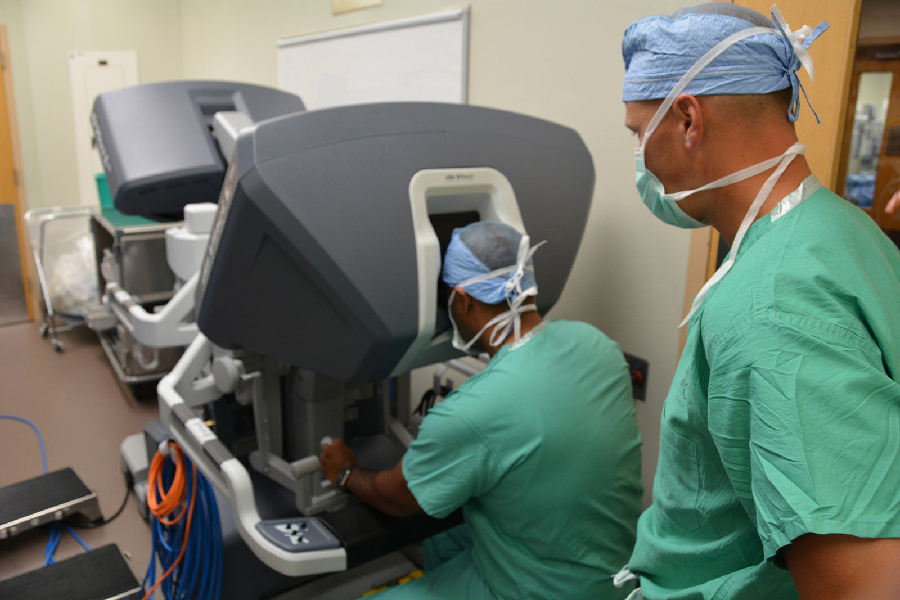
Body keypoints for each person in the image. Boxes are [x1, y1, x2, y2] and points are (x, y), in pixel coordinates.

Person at [615, 4, 900, 599]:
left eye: (640, 134)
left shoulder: (771, 307)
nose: (640, 160)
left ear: (688, 120)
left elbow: (862, 586)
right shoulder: (842, 228)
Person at [321, 221, 643, 599]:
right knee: (452, 532)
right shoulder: (598, 346)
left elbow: (396, 500)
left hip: (542, 592)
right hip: (615, 580)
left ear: (463, 300)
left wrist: (346, 472)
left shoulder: (472, 414)